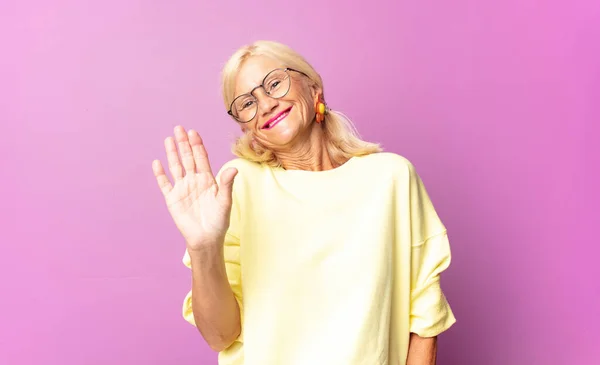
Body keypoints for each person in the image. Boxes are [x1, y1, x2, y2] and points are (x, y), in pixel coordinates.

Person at [152, 40, 456, 365]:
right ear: (245, 127)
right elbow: (219, 335)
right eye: (247, 103)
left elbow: (424, 320)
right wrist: (203, 248)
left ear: (314, 88)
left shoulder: (391, 178)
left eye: (274, 83)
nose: (266, 104)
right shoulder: (238, 185)